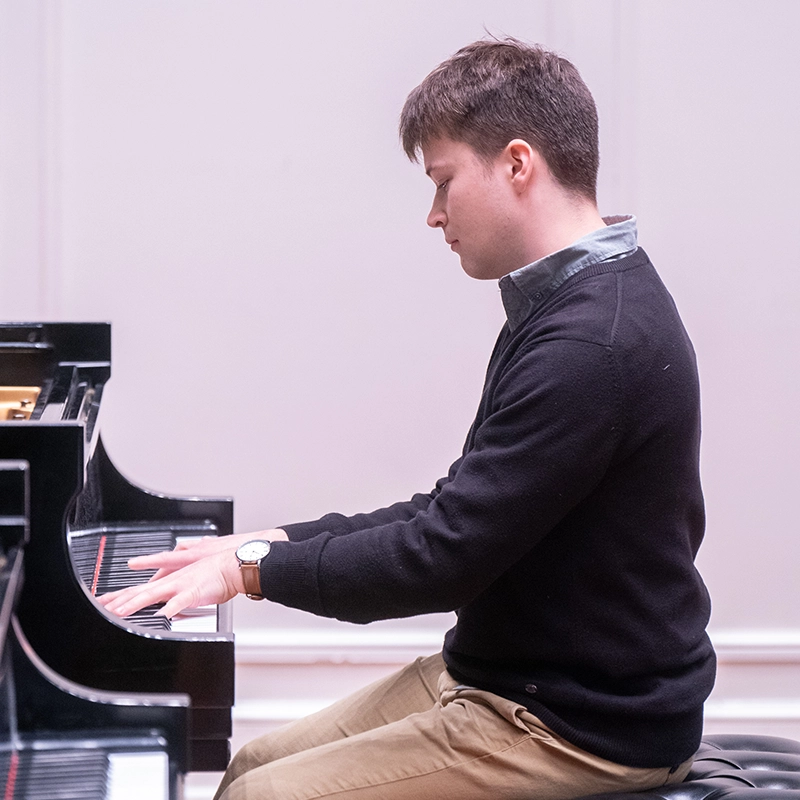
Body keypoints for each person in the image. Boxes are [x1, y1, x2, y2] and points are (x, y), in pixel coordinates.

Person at [100, 37, 716, 800]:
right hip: (509, 677)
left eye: (445, 181)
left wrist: (249, 571)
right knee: (252, 768)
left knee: (263, 798)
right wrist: (264, 542)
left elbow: (441, 557)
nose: (434, 215)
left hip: (577, 724)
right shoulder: (570, 304)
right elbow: (452, 511)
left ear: (518, 164)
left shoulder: (595, 342)